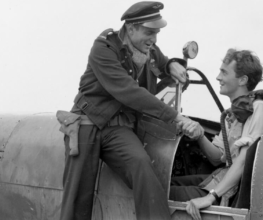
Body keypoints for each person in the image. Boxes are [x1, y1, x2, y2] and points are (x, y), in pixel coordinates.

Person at [58, 2, 194, 220]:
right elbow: (128, 91)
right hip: (86, 124)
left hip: (118, 129)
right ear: (131, 28)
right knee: (77, 197)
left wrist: (171, 65)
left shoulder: (149, 50)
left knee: (143, 169)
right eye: (149, 32)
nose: (154, 39)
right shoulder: (104, 47)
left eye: (157, 33)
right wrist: (175, 117)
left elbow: (163, 61)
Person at [169, 49, 263, 220]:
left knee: (161, 191)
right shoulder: (234, 114)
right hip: (222, 177)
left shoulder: (257, 107)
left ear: (242, 80)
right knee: (167, 183)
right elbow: (218, 159)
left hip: (232, 189)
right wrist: (199, 134)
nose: (218, 77)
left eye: (224, 72)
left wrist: (210, 197)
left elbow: (245, 160)